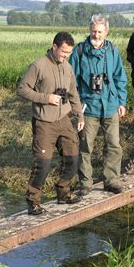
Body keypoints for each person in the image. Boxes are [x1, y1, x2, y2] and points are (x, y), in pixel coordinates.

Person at [17, 31, 85, 215]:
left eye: (69, 53)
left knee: (73, 158)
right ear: (54, 47)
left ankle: (64, 193)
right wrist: (46, 98)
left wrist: (79, 116)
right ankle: (33, 201)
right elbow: (22, 89)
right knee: (43, 164)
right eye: (63, 52)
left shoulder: (68, 67)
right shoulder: (38, 65)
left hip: (64, 119)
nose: (65, 56)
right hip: (43, 122)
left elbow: (73, 94)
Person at [69, 14, 127, 195]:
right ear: (89, 30)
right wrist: (77, 108)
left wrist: (121, 102)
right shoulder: (79, 51)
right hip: (89, 108)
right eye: (94, 31)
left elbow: (120, 77)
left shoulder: (112, 50)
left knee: (114, 145)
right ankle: (85, 183)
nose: (96, 35)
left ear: (106, 31)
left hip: (110, 106)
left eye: (100, 32)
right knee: (85, 147)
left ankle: (111, 181)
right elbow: (72, 83)